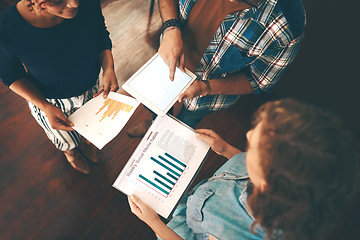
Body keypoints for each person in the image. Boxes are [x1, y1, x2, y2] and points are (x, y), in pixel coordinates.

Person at [128, 98, 358, 240]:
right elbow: (246, 163)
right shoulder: (286, 182)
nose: (248, 134)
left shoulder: (230, 231)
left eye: (255, 147)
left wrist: (154, 222)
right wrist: (226, 149)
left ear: (266, 182)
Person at [127, 0, 306, 137]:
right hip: (165, 64)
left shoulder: (290, 24)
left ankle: (164, 133)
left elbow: (260, 80)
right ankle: (153, 123)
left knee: (183, 124)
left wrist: (205, 88)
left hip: (205, 98)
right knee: (156, 104)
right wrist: (170, 27)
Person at [0, 0, 119, 174]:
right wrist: (45, 107)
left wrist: (108, 68)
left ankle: (86, 145)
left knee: (90, 127)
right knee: (64, 137)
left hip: (92, 88)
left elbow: (100, 33)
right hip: (50, 101)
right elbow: (11, 75)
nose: (74, 4)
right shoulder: (8, 30)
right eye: (59, 1)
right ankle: (70, 152)